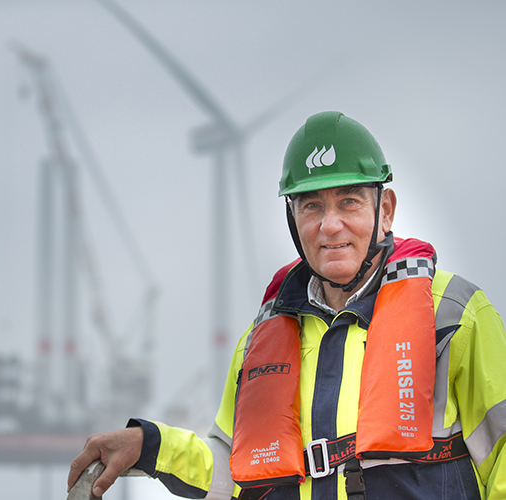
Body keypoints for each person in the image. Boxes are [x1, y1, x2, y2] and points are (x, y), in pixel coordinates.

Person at [67, 111, 506, 499]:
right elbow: (233, 474)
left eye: (348, 201)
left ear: (385, 210)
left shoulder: (453, 315)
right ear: (293, 220)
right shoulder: (260, 340)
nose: (330, 225)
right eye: (311, 205)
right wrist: (149, 445)